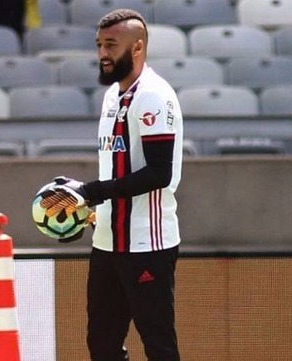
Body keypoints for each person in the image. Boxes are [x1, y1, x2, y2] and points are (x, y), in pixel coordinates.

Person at [53, 8, 183, 361]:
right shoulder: (113, 96)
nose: (102, 54)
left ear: (137, 47)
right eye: (99, 45)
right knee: (102, 345)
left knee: (158, 345)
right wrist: (84, 199)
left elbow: (160, 173)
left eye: (111, 44)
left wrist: (91, 192)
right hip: (107, 243)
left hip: (147, 242)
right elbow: (116, 167)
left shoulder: (154, 96)